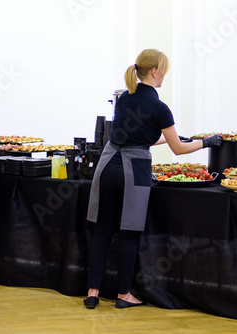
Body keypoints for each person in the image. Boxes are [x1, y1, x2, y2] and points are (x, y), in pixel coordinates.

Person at [84, 49, 222, 309]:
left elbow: (139, 137)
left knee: (102, 230)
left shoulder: (125, 97)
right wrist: (205, 142)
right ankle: (124, 294)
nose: (164, 77)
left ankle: (93, 292)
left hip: (107, 165)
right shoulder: (160, 107)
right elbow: (177, 150)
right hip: (134, 169)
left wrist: (178, 138)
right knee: (129, 232)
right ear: (155, 71)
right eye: (164, 72)